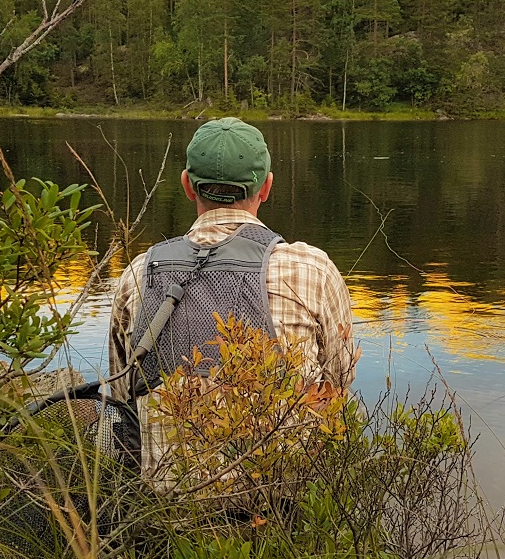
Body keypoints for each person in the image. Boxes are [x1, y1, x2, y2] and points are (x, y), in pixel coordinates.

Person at [106, 117, 356, 481]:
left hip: (162, 512)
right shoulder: (312, 269)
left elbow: (121, 396)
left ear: (188, 186)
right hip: (280, 507)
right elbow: (337, 385)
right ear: (267, 187)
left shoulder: (138, 274)